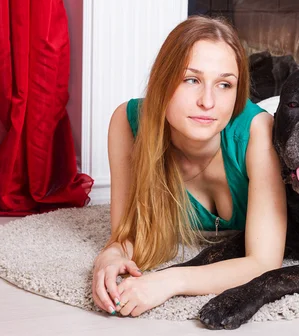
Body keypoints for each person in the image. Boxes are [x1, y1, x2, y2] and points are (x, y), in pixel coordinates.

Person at [91, 16, 287, 317]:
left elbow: (264, 263)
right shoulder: (128, 123)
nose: (207, 101)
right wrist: (111, 256)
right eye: (191, 79)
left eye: (224, 84)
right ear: (163, 80)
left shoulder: (259, 131)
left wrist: (170, 280)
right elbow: (127, 232)